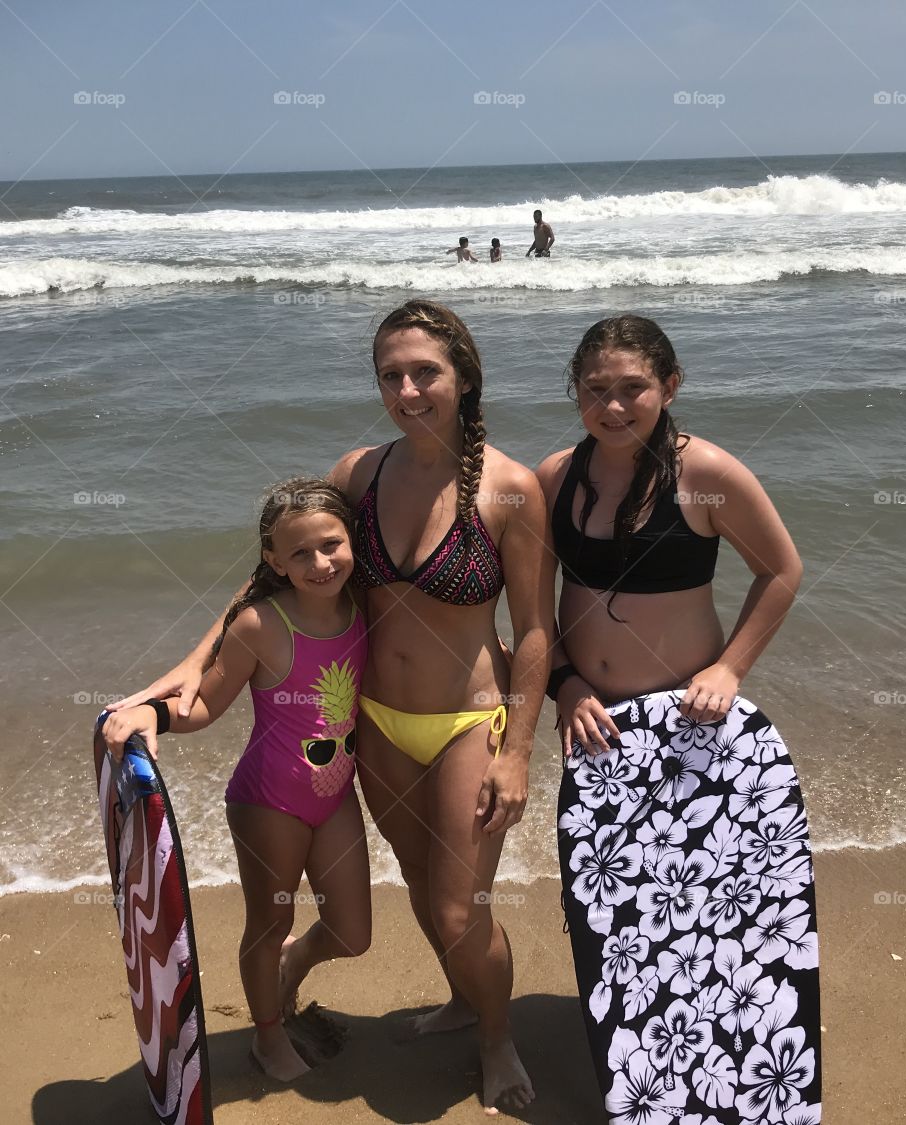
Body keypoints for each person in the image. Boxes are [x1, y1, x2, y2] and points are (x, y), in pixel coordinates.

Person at [110, 301, 553, 1114]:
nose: (408, 389)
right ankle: (462, 998)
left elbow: (533, 631)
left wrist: (518, 745)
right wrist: (182, 669)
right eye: (391, 374)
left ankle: (498, 1038)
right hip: (377, 724)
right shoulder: (361, 472)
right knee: (421, 882)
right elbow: (269, 580)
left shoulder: (511, 489)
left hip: (467, 722)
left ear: (464, 376)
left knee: (462, 903)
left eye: (426, 372)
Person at [536, 315, 811, 1122]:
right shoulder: (556, 477)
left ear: (670, 386)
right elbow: (531, 609)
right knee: (610, 901)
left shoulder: (708, 472)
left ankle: (729, 1065)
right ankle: (638, 1072)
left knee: (707, 901)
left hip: (697, 730)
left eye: (633, 389)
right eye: (596, 390)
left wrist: (729, 667)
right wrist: (562, 684)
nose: (614, 406)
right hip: (600, 728)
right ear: (576, 393)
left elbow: (782, 570)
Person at [102, 479, 372, 1083]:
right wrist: (155, 714)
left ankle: (292, 964)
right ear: (273, 560)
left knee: (353, 934)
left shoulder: (365, 606)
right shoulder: (260, 624)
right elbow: (206, 705)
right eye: (299, 553)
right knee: (269, 920)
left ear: (352, 541)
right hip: (267, 800)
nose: (320, 562)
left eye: (332, 544)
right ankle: (267, 1037)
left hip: (336, 796)